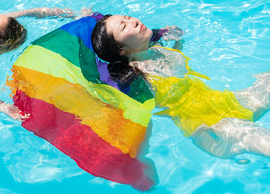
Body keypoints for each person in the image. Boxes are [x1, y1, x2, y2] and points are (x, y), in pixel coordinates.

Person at [91, 14, 270, 158]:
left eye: (128, 17)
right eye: (124, 26)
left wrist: (177, 42)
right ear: (121, 50)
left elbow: (176, 67)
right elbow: (138, 116)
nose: (134, 22)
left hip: (227, 101)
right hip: (211, 127)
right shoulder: (136, 79)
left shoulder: (157, 48)